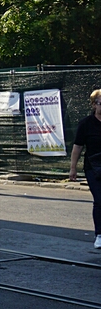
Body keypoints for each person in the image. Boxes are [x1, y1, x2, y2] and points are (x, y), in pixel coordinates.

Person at [69, 89, 101, 250]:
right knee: (100, 200)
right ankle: (99, 235)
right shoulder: (86, 124)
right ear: (94, 105)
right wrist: (73, 168)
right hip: (94, 167)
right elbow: (78, 147)